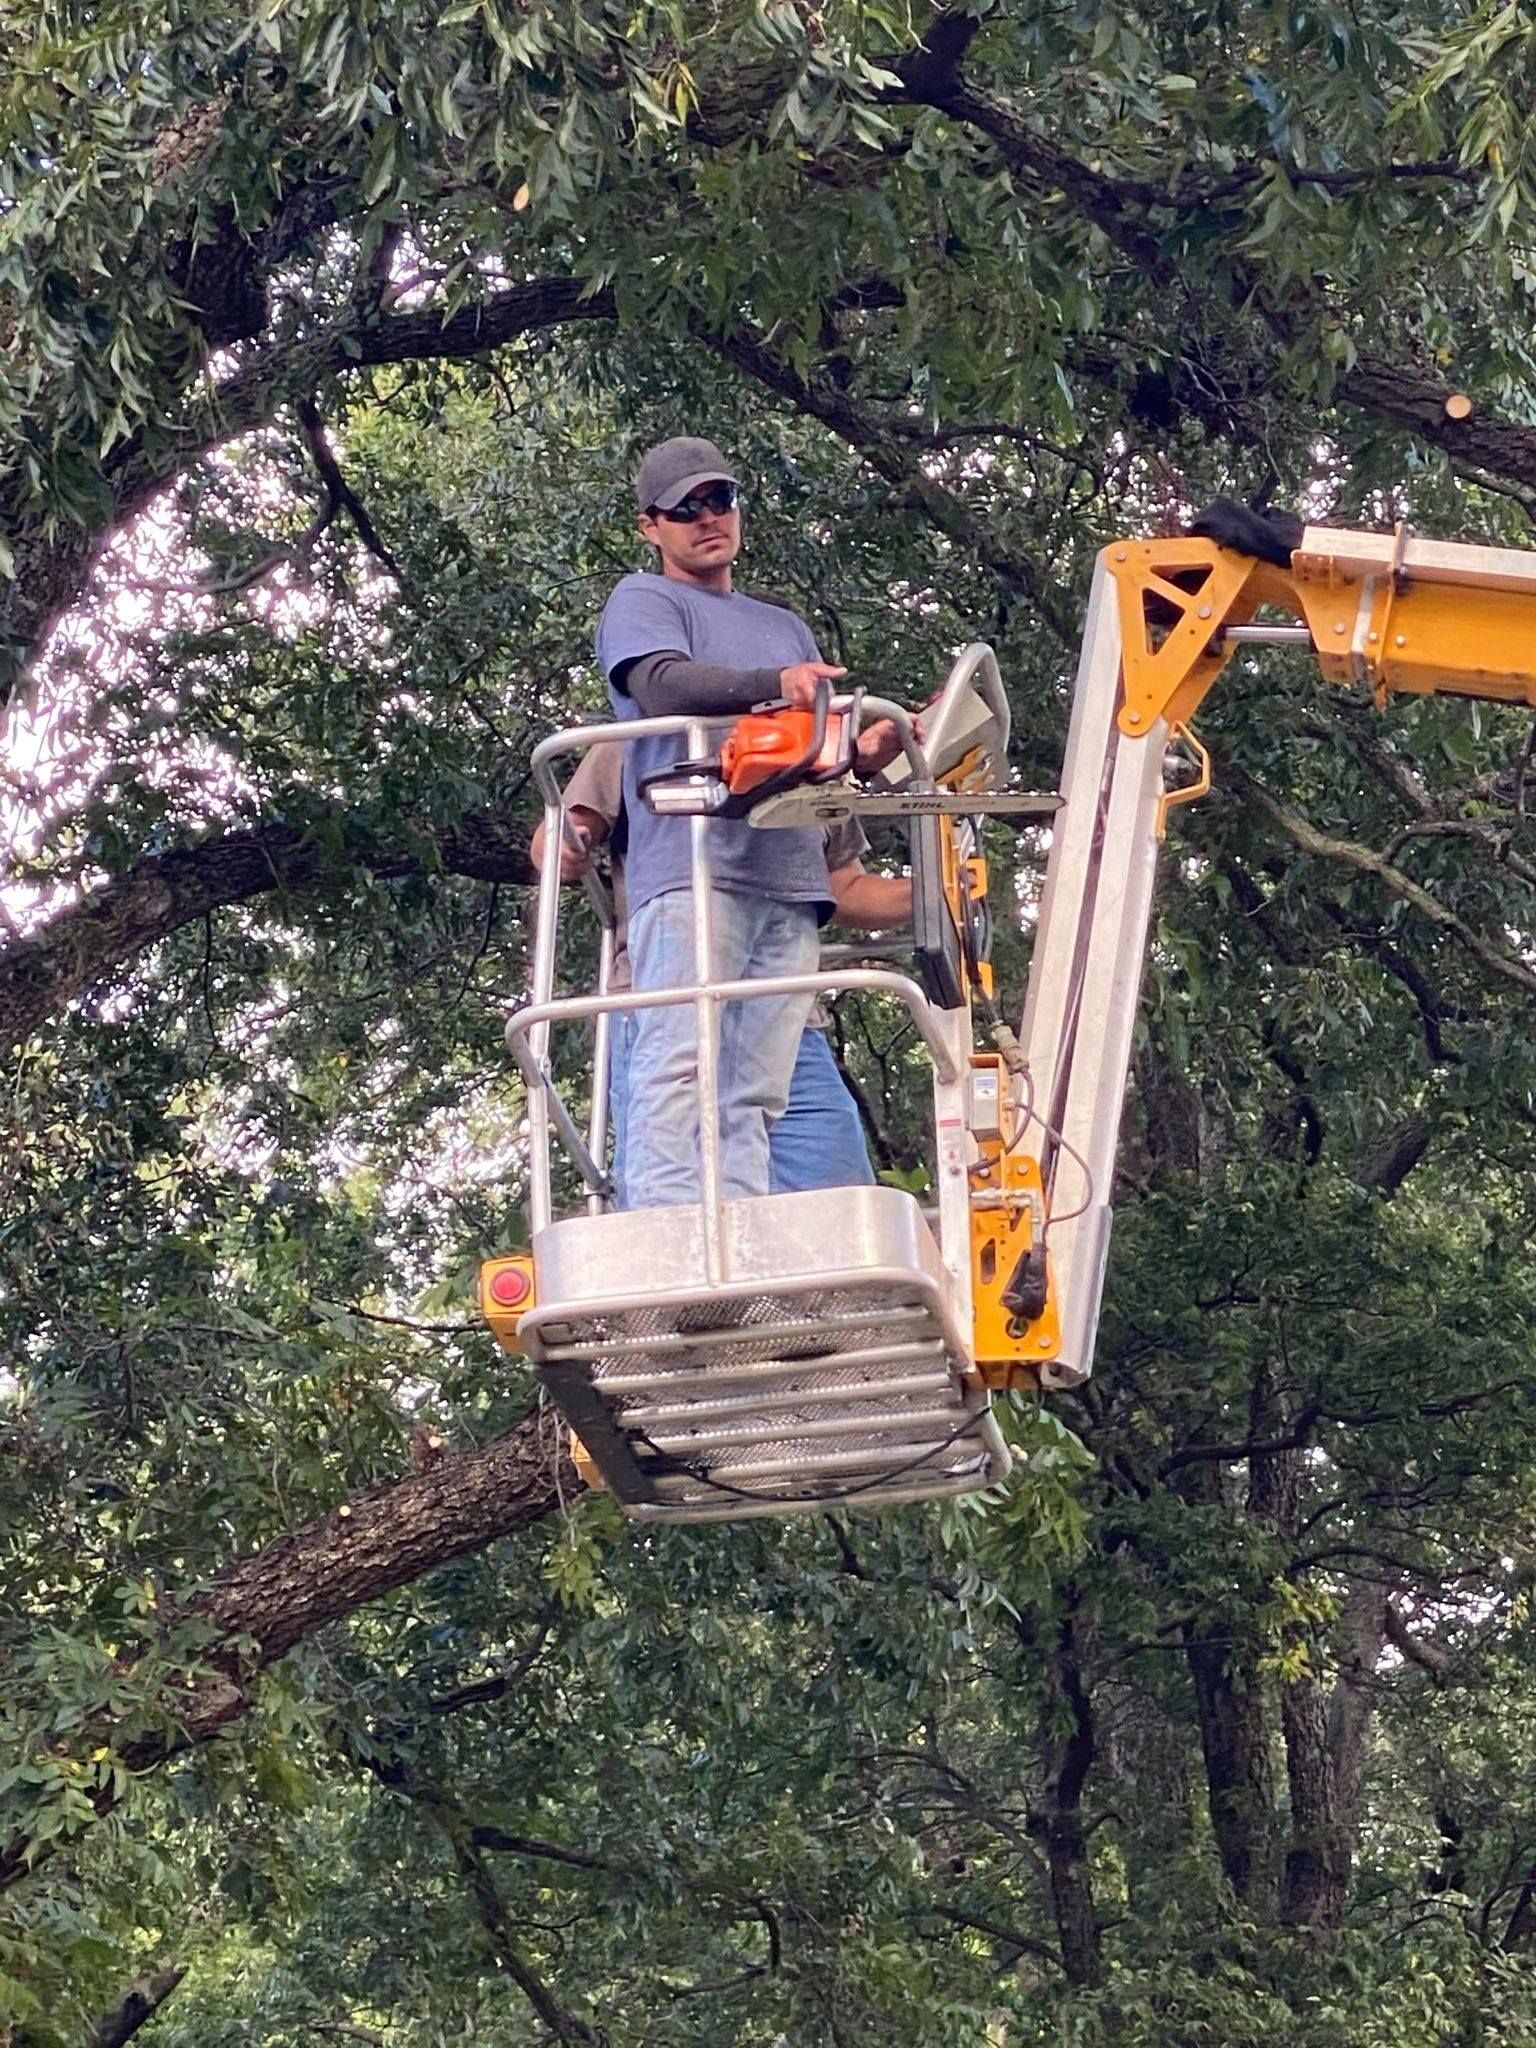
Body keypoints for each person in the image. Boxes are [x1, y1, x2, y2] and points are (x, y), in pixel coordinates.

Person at [592, 434, 883, 1207]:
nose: (707, 518)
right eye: (684, 509)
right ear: (651, 526)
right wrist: (773, 683)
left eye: (719, 499)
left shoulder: (784, 625)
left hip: (788, 880)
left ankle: (743, 1260)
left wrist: (869, 748)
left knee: (755, 1091)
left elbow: (812, 744)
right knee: (676, 1066)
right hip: (693, 872)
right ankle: (666, 1252)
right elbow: (658, 685)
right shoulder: (644, 599)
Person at [530, 742, 912, 1202]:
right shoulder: (648, 732)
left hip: (786, 1015)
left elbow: (845, 886)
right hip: (664, 1002)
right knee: (674, 1186)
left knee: (835, 1193)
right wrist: (566, 842)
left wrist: (938, 888)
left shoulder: (818, 751)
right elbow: (559, 834)